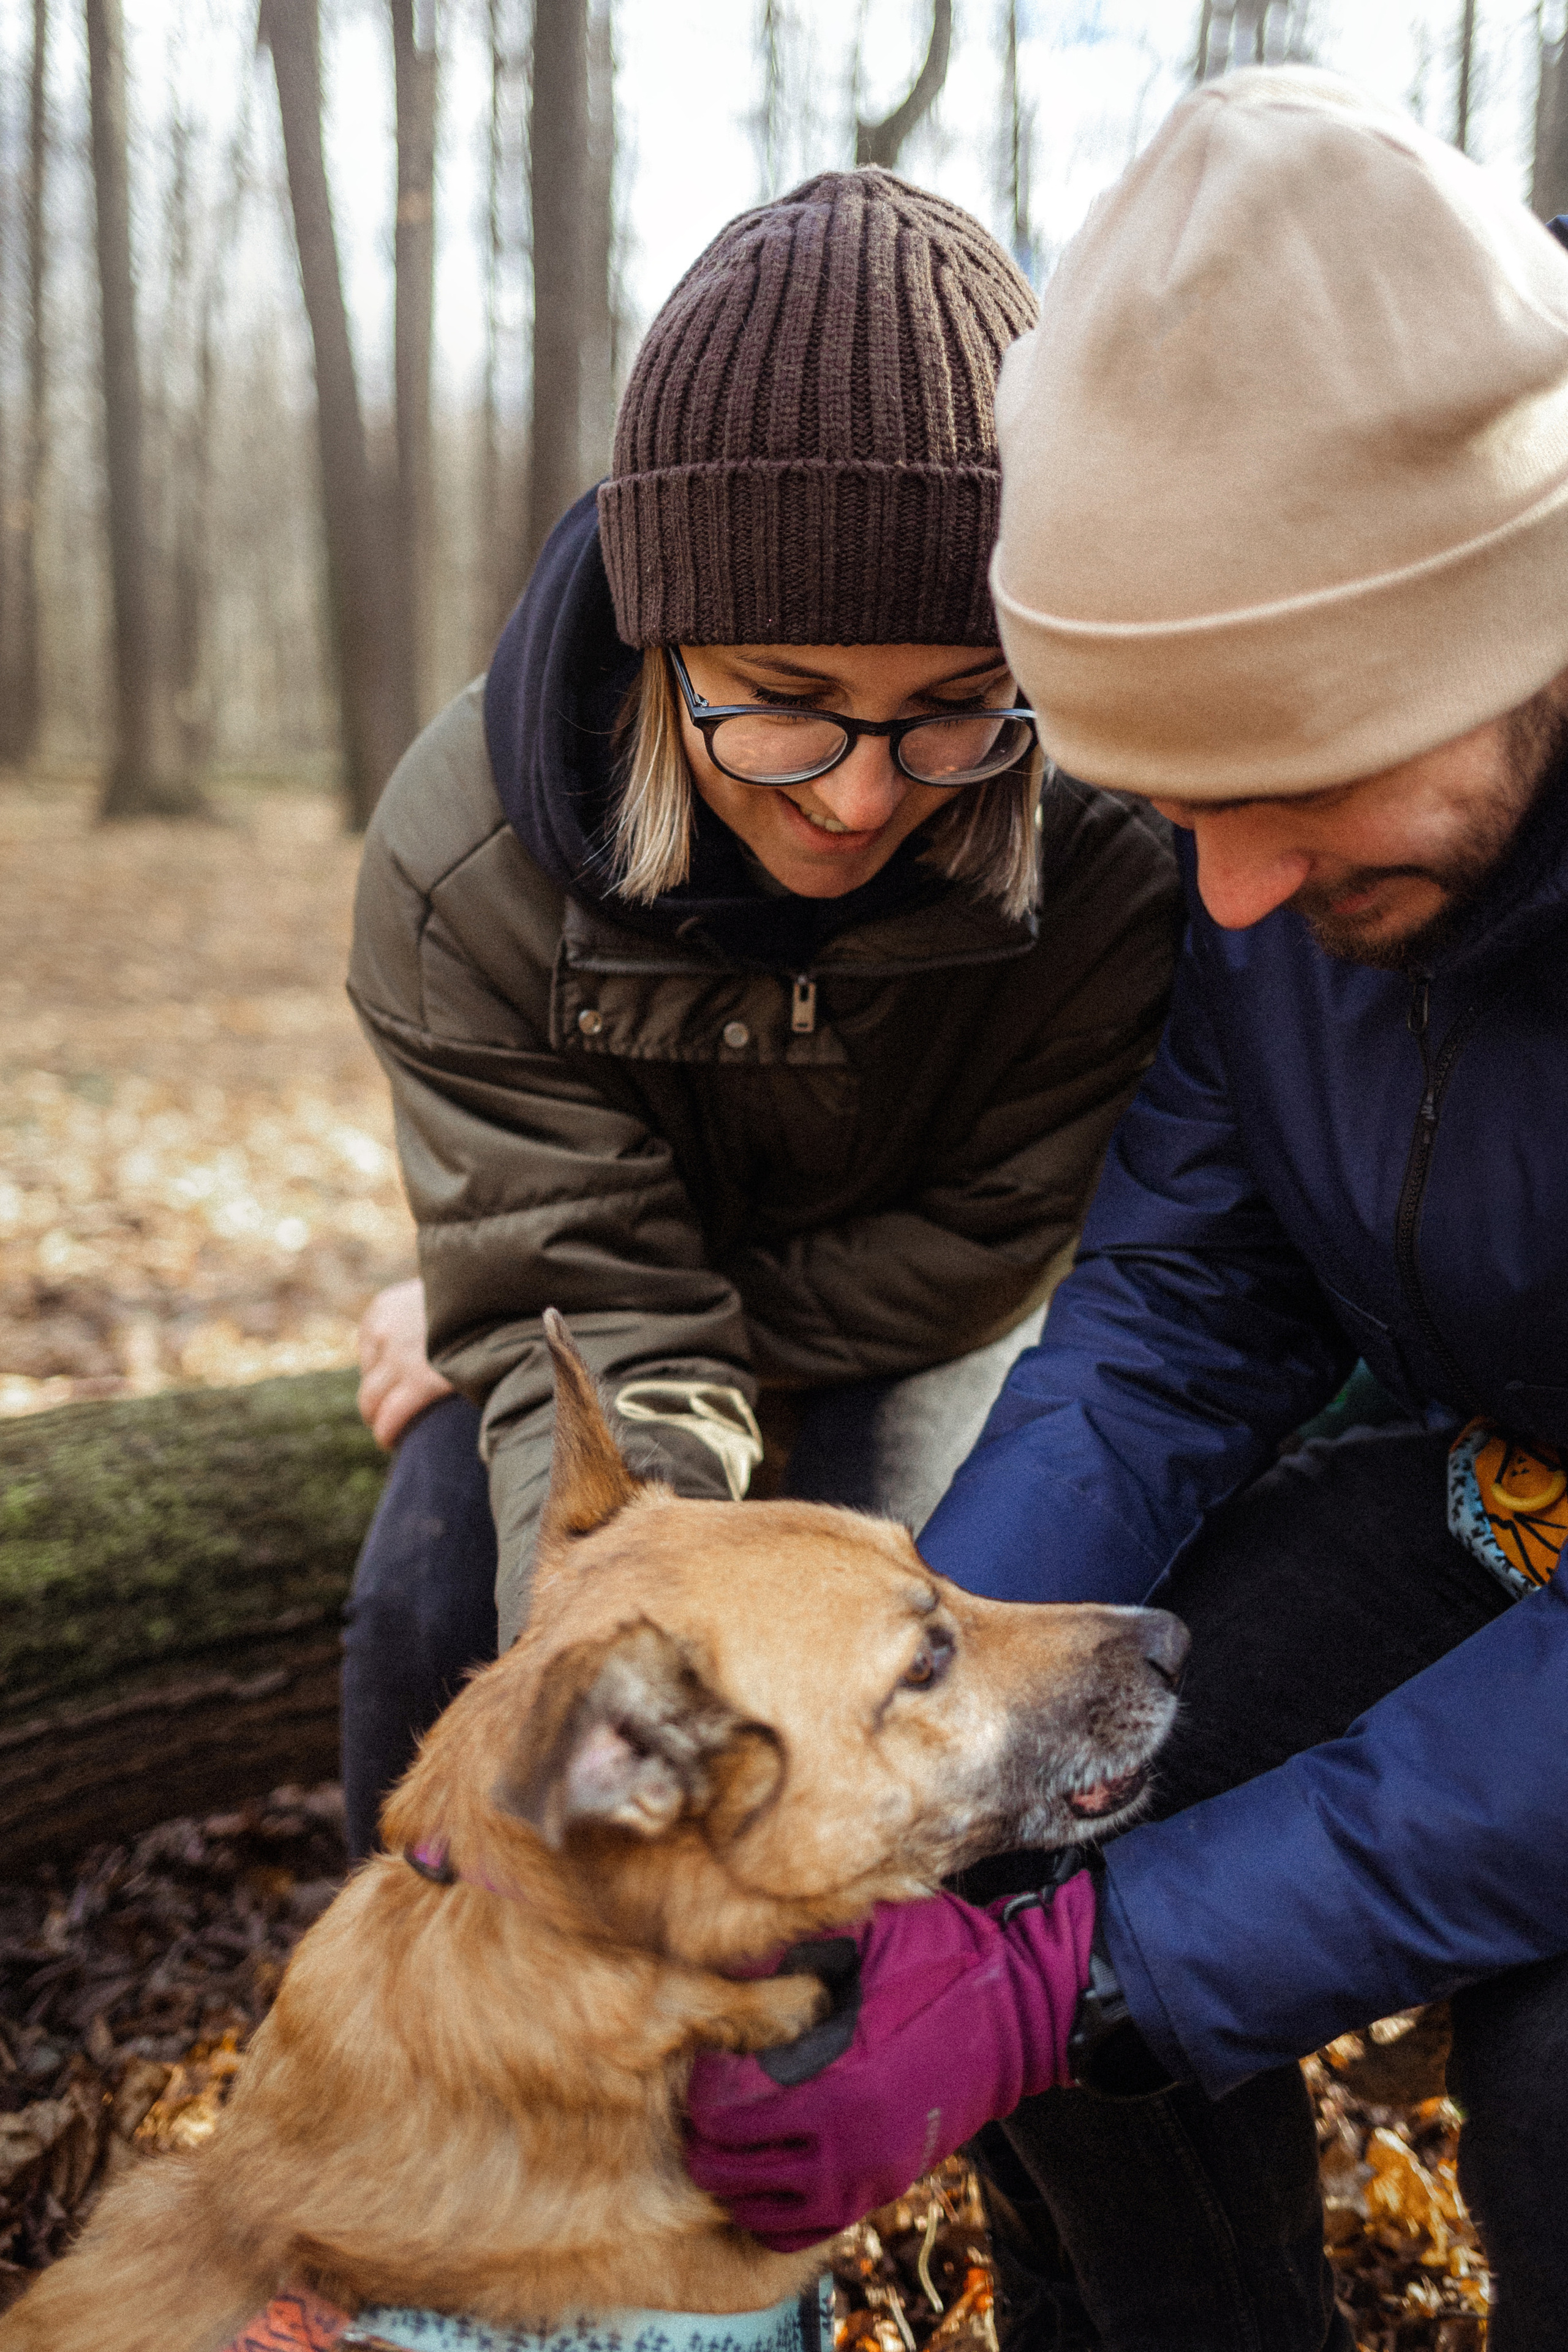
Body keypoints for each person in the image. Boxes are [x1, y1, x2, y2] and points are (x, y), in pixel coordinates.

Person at [683, 69, 1568, 2352]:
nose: (1242, 893)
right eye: (1183, 816)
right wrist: (923, 1692)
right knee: (1032, 1810)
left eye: (1292, 785)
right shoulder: (1279, 886)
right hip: (1505, 1499)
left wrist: (1089, 1979)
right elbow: (1185, 1298)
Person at [341, 167, 1180, 1863]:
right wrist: (551, 1337)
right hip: (614, 1337)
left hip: (915, 1327)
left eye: (952, 714)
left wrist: (625, 1320)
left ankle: (968, 2079)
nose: (867, 798)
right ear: (665, 645)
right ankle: (440, 2008)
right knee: (434, 1598)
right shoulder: (463, 867)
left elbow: (983, 1247)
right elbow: (578, 1294)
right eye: (790, 708)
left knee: (945, 1618)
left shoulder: (1111, 852)